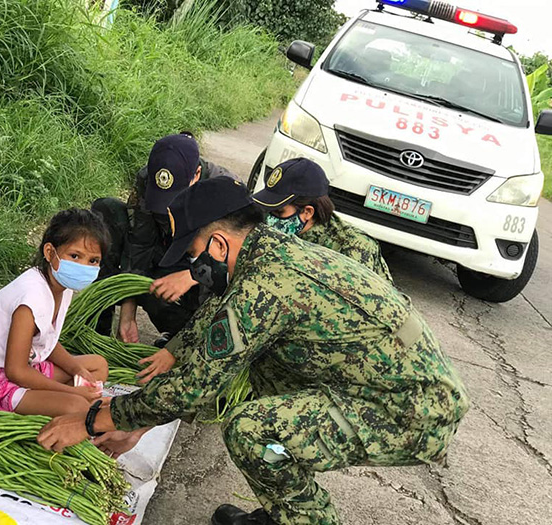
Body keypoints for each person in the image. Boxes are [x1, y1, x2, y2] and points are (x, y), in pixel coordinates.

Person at [37, 178, 470, 525]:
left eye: (193, 255)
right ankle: (285, 506)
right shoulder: (271, 254)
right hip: (390, 384)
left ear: (220, 245)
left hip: (408, 409)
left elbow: (194, 387)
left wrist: (93, 421)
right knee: (265, 379)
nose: (193, 268)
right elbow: (212, 354)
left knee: (251, 431)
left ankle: (304, 516)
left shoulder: (266, 286)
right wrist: (142, 424)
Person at [92, 132, 238, 349]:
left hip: (200, 274)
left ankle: (187, 340)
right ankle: (97, 333)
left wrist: (194, 274)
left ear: (196, 174)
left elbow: (236, 264)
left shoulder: (226, 192)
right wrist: (128, 310)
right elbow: (139, 242)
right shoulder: (147, 178)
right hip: (164, 254)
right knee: (106, 210)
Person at [0, 208, 110, 416]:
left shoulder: (61, 286)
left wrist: (77, 370)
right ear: (50, 253)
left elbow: (46, 339)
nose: (83, 266)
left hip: (27, 367)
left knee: (97, 367)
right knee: (76, 406)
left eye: (93, 260)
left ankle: (45, 400)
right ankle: (43, 403)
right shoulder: (30, 299)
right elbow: (16, 371)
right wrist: (72, 392)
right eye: (75, 256)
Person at [254, 157, 393, 282]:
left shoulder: (353, 247)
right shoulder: (274, 228)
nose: (270, 219)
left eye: (278, 212)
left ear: (308, 212)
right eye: (268, 210)